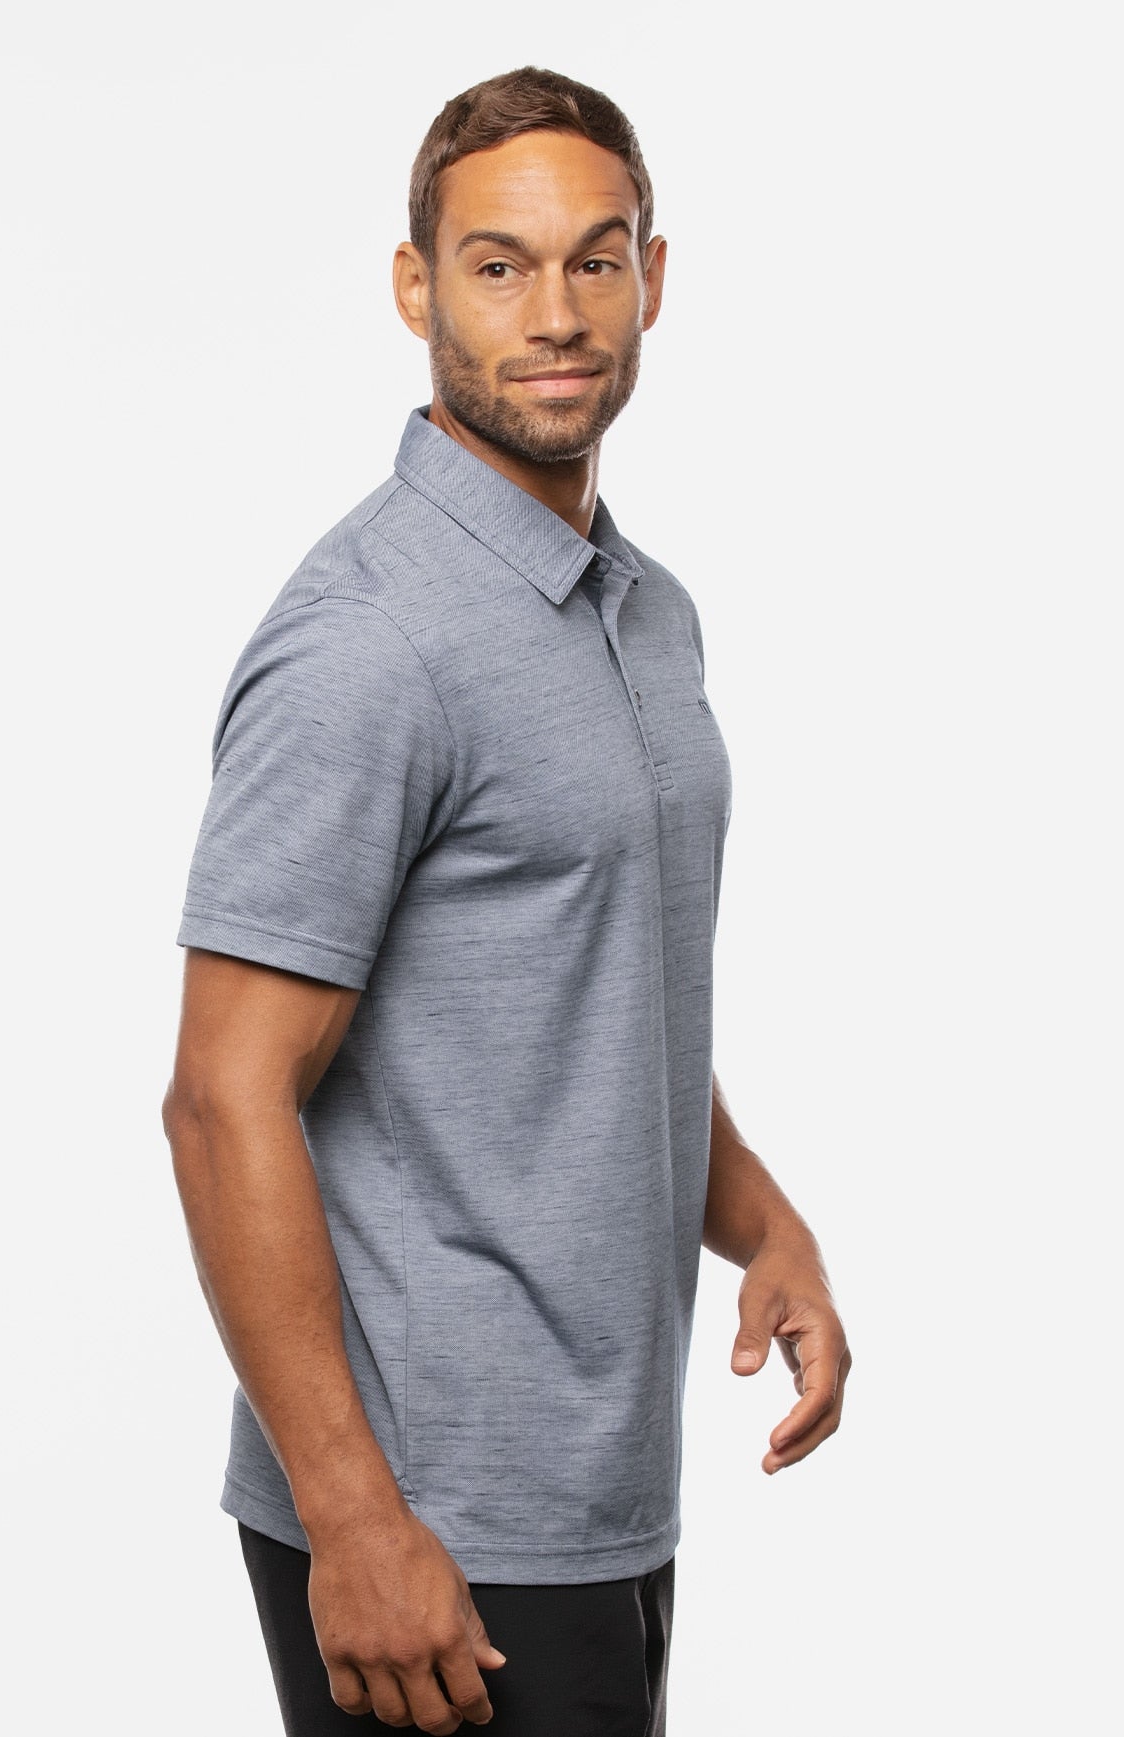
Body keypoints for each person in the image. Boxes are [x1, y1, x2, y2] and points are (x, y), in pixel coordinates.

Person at [162, 65, 851, 1737]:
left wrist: (764, 1223)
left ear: (651, 278)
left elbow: (597, 994)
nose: (555, 315)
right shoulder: (365, 639)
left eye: (594, 260)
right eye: (498, 265)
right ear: (417, 289)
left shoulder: (646, 611)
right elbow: (221, 1096)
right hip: (428, 1526)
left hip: (605, 1483)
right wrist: (352, 1520)